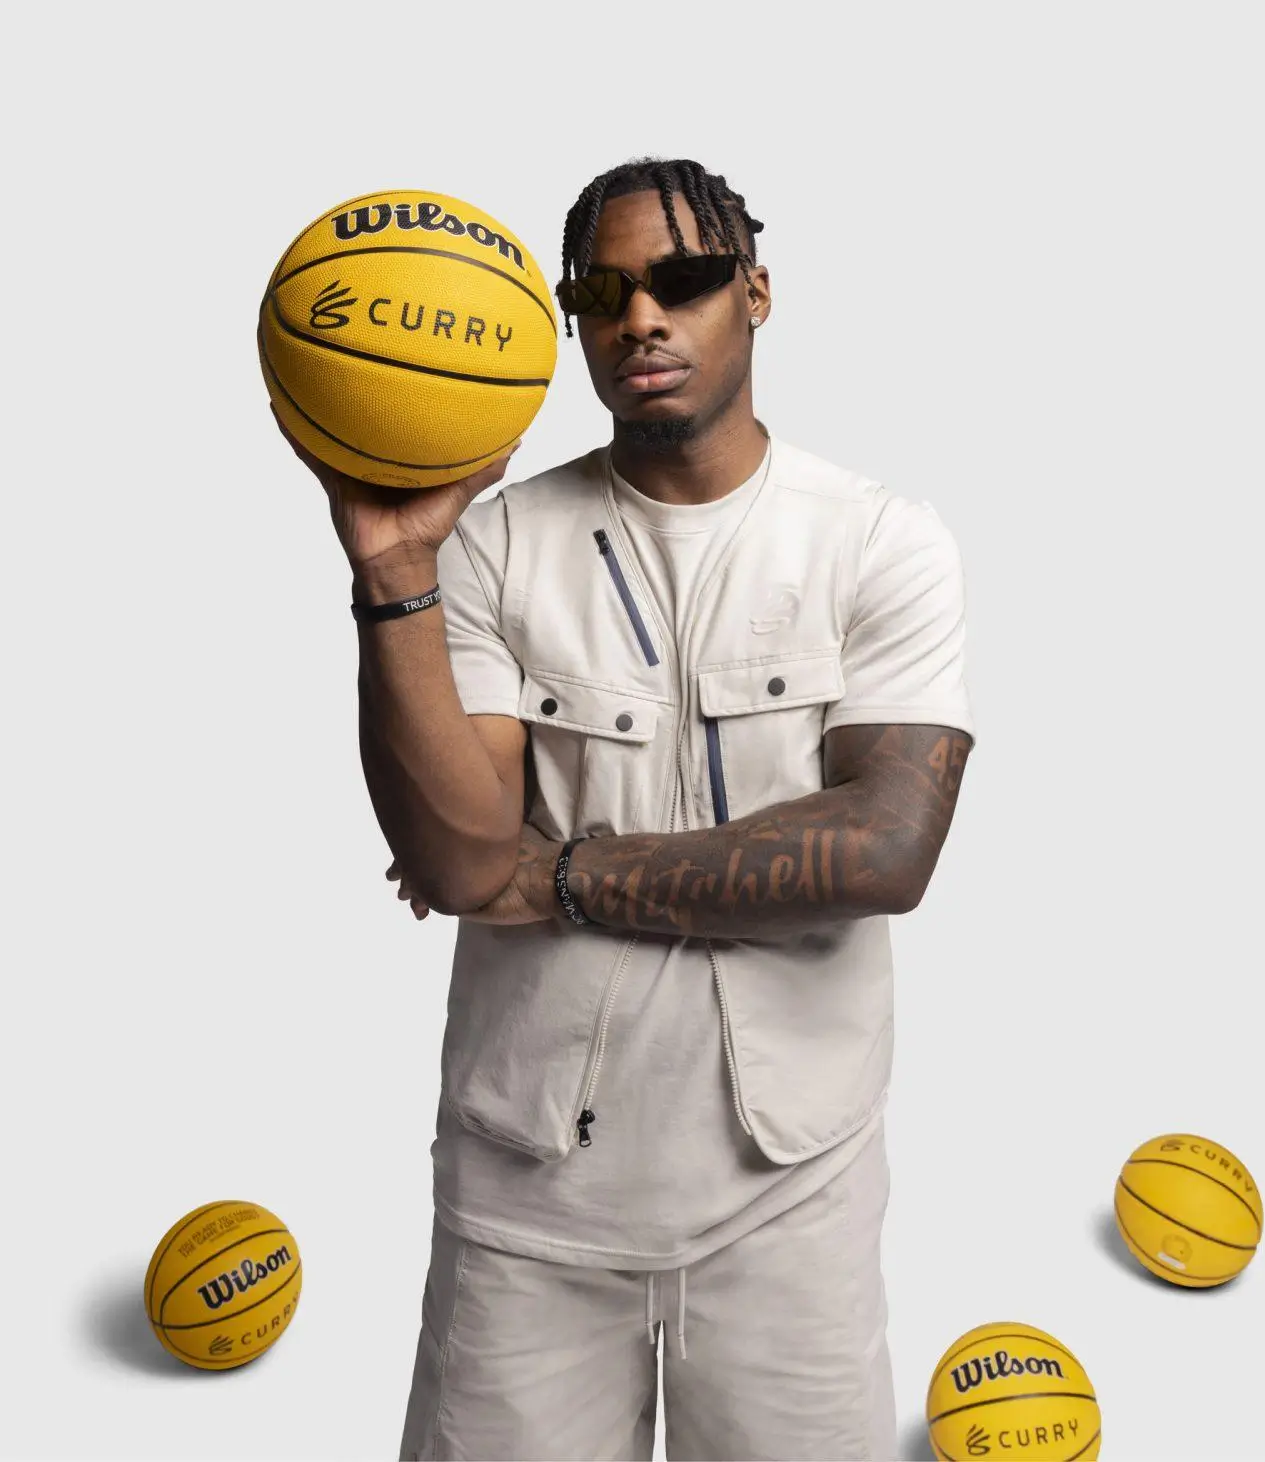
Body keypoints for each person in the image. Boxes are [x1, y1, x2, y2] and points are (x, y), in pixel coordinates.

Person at [274, 156, 976, 1462]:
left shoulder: (878, 541)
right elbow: (459, 857)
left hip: (792, 1199)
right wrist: (393, 569)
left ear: (754, 292)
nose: (640, 317)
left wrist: (564, 873)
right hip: (526, 1199)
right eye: (600, 292)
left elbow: (884, 847)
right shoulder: (489, 547)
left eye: (683, 280)